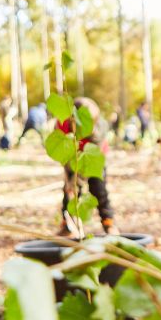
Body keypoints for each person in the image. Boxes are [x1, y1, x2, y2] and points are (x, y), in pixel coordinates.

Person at [57, 97, 119, 236]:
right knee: (70, 191)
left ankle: (108, 222)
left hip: (94, 156)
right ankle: (68, 225)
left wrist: (82, 174)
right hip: (73, 157)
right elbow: (60, 147)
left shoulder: (99, 126)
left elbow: (94, 150)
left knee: (98, 188)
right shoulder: (64, 123)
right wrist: (71, 176)